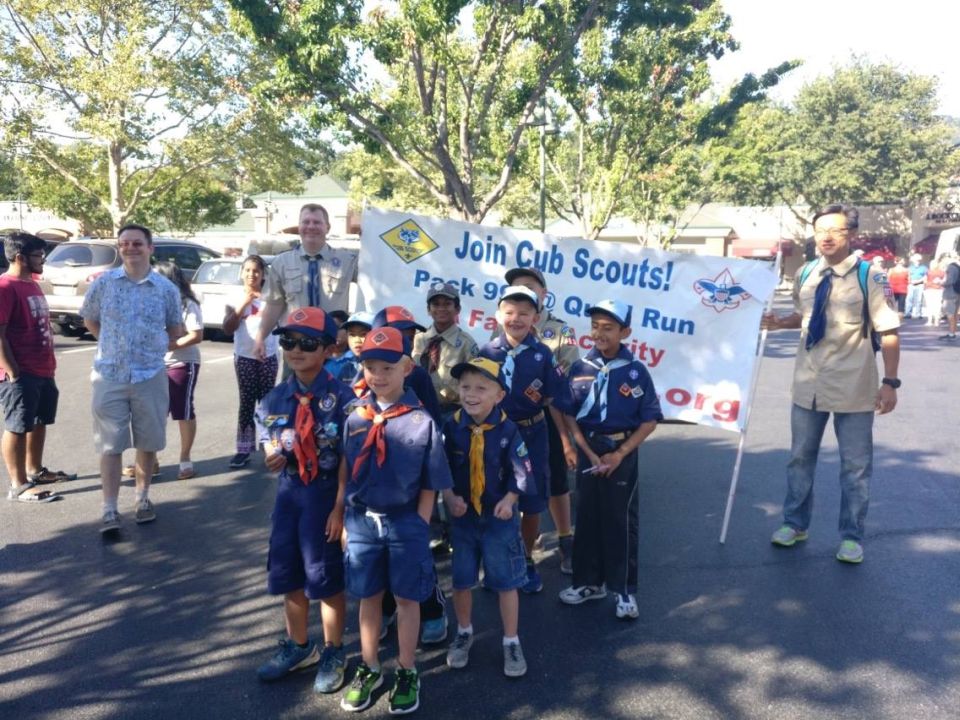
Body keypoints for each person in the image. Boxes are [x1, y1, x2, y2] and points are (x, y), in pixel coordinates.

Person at [763, 204, 900, 564]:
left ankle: (852, 536)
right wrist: (778, 324)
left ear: (850, 235)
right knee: (799, 459)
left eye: (835, 231)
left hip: (853, 386)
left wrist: (890, 383)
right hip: (808, 383)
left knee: (855, 467)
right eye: (820, 230)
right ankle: (795, 524)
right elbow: (806, 316)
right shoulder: (807, 272)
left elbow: (888, 332)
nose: (825, 236)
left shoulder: (869, 276)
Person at [339, 327, 452, 714]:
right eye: (369, 367)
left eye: (387, 367)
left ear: (406, 368)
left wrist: (420, 524)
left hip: (405, 523)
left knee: (406, 597)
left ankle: (406, 669)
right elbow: (345, 467)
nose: (378, 375)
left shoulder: (421, 421)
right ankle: (370, 667)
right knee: (368, 596)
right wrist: (343, 516)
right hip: (361, 522)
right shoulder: (355, 415)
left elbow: (430, 480)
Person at [254, 307, 355, 695]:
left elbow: (349, 456)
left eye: (307, 343)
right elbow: (269, 440)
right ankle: (299, 645)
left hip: (328, 493)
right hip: (290, 493)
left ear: (329, 349)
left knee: (326, 575)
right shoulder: (275, 398)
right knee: (288, 570)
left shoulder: (344, 398)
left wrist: (340, 509)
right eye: (288, 341)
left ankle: (333, 649)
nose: (295, 350)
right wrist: (271, 456)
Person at [557, 300, 661, 619]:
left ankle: (624, 591)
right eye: (596, 326)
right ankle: (589, 582)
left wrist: (619, 454)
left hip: (621, 451)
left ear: (625, 332)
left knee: (619, 521)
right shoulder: (580, 368)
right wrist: (580, 450)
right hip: (589, 449)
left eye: (609, 327)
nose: (600, 333)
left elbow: (650, 420)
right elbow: (568, 412)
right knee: (587, 517)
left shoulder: (635, 371)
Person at [80, 224, 184, 533]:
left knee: (147, 441)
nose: (130, 248)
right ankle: (109, 509)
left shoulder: (166, 290)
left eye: (137, 243)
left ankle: (142, 499)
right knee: (110, 445)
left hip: (150, 374)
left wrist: (148, 348)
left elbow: (175, 330)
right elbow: (90, 318)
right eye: (124, 243)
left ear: (150, 248)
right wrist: (111, 346)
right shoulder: (104, 284)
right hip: (108, 374)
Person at [442, 357, 532, 677]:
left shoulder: (508, 429)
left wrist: (510, 499)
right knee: (462, 580)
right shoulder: (451, 427)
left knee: (506, 581)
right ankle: (464, 632)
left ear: (499, 395)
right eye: (465, 387)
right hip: (463, 519)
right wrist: (450, 497)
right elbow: (441, 470)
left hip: (499, 518)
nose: (471, 394)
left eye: (481, 387)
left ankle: (511, 639)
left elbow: (521, 471)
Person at [479, 285, 572, 594]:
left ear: (535, 317)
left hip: (532, 433)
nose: (515, 318)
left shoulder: (543, 354)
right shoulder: (486, 353)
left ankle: (526, 560)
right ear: (497, 315)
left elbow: (552, 397)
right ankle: (497, 562)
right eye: (509, 312)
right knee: (493, 496)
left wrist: (566, 440)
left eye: (523, 313)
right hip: (495, 434)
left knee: (531, 502)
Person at [500, 267, 579, 574]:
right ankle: (517, 548)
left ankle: (565, 538)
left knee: (554, 477)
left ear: (543, 295)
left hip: (548, 411)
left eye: (530, 287)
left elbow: (567, 372)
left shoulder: (560, 329)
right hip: (508, 416)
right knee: (509, 477)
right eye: (516, 287)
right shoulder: (504, 330)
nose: (522, 291)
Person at [0, 232, 73, 504]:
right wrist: (12, 371)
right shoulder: (5, 287)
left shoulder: (30, 283)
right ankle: (18, 485)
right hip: (21, 372)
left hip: (43, 369)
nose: (42, 260)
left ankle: (35, 471)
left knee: (40, 421)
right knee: (17, 426)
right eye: (38, 256)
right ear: (20, 257)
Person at [253, 204, 358, 361]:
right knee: (293, 386)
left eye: (317, 222)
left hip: (333, 346)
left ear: (327, 227)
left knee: (334, 386)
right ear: (299, 226)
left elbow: (375, 286)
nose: (311, 226)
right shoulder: (281, 263)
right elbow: (274, 306)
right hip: (297, 347)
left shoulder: (347, 261)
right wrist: (260, 338)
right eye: (306, 222)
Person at [223, 254, 278, 469]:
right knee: (247, 402)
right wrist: (244, 302)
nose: (251, 274)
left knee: (267, 403)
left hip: (268, 356)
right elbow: (228, 327)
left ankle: (270, 447)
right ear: (241, 273)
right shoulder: (234, 296)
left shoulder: (271, 297)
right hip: (244, 356)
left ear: (263, 274)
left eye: (256, 271)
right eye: (247, 270)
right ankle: (243, 449)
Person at [154, 262, 203, 481]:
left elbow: (196, 335)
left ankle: (185, 459)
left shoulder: (187, 304)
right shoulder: (151, 301)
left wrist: (171, 345)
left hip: (182, 362)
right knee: (154, 412)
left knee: (182, 410)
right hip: (155, 364)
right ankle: (149, 459)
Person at [411, 283, 479, 417]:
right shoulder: (418, 339)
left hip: (450, 413)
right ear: (428, 310)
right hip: (417, 410)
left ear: (457, 309)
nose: (441, 308)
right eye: (436, 304)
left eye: (447, 304)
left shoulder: (467, 344)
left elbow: (474, 384)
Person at [324, 311, 370, 383]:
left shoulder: (386, 364)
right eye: (352, 335)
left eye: (363, 334)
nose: (357, 340)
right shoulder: (348, 368)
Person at [940, 252, 960, 341]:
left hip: (950, 293)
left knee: (950, 314)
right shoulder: (957, 267)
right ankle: (952, 332)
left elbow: (949, 281)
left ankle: (951, 333)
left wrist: (940, 282)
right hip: (957, 292)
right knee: (954, 313)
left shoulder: (951, 267)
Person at [904, 252, 928, 319]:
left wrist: (918, 281)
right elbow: (907, 276)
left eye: (919, 260)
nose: (918, 261)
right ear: (913, 260)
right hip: (911, 285)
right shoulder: (909, 268)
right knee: (909, 299)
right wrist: (911, 281)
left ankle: (918, 314)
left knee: (919, 299)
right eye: (917, 260)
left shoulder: (924, 268)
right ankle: (908, 314)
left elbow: (925, 277)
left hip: (920, 285)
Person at [923, 256, 945, 327]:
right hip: (939, 290)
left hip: (929, 289)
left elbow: (925, 280)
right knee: (938, 305)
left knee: (929, 305)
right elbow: (944, 280)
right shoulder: (942, 272)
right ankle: (936, 321)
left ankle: (930, 321)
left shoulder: (928, 272)